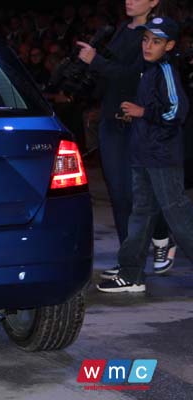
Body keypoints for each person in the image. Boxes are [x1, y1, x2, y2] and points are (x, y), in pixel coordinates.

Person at [76, 0, 177, 278]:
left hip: (138, 123)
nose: (129, 0)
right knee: (119, 195)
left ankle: (162, 235)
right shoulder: (121, 29)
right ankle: (128, 262)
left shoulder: (153, 34)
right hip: (112, 120)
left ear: (154, 1)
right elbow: (111, 73)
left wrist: (96, 61)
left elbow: (135, 76)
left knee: (138, 193)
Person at [97, 17, 191, 293]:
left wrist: (143, 113)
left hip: (162, 157)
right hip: (143, 155)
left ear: (169, 46)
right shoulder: (149, 70)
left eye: (156, 41)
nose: (148, 46)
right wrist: (138, 116)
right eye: (146, 39)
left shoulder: (165, 70)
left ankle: (131, 272)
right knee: (140, 216)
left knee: (179, 217)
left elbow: (177, 111)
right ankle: (131, 274)